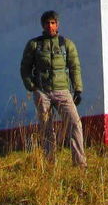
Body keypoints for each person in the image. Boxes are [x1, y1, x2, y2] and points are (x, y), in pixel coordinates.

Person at [20, 10, 86, 167]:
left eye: (53, 22)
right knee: (46, 128)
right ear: (42, 25)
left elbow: (74, 67)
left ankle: (80, 164)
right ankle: (50, 164)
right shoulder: (34, 45)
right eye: (47, 23)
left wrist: (78, 89)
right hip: (43, 92)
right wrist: (32, 87)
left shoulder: (67, 44)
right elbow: (25, 68)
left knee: (75, 124)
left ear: (57, 24)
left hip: (63, 91)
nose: (50, 26)